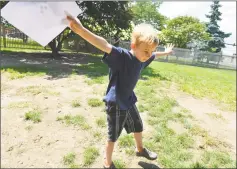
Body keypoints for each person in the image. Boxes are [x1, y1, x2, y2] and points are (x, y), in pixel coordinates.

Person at [65, 14, 174, 169]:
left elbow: (155, 55)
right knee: (113, 136)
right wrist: (82, 31)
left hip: (128, 100)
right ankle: (107, 163)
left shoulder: (142, 59)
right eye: (146, 51)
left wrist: (167, 52)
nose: (148, 55)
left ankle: (140, 149)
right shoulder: (123, 57)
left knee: (138, 126)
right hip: (116, 103)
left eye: (150, 51)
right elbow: (104, 45)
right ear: (133, 45)